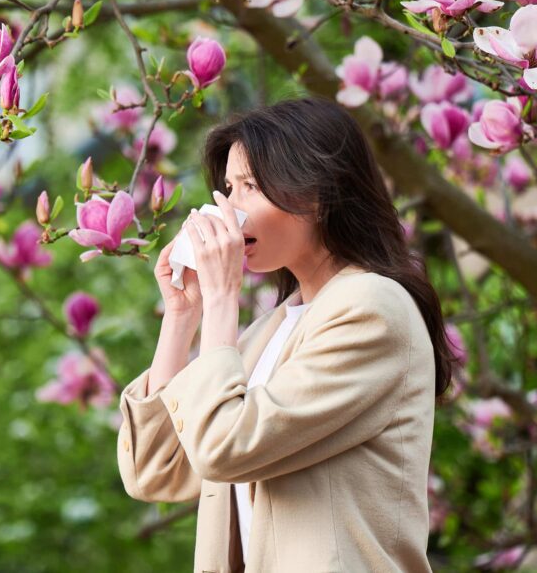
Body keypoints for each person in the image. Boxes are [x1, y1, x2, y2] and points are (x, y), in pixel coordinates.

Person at [115, 96, 455, 572]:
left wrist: (220, 300)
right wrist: (182, 316)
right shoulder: (264, 334)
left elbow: (223, 448)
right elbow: (154, 471)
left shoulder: (373, 311)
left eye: (250, 186)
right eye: (229, 187)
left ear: (317, 193)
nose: (228, 208)